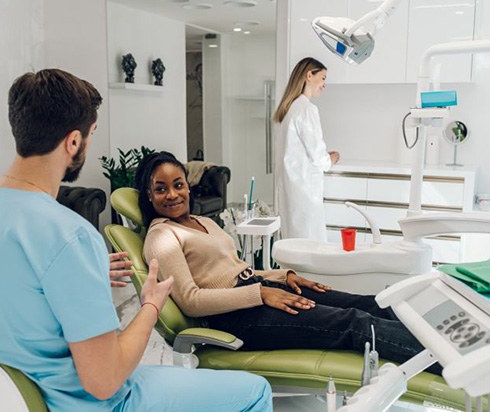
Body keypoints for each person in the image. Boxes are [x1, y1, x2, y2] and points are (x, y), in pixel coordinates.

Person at [0, 69, 272, 411]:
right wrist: (151, 305)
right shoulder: (70, 235)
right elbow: (104, 380)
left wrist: (84, 272)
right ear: (73, 142)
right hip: (91, 403)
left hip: (19, 397)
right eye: (90, 135)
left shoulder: (36, 230)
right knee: (256, 391)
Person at [137, 151, 441, 374]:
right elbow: (191, 300)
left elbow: (235, 269)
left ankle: (450, 334)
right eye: (161, 189)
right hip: (234, 316)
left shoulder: (203, 221)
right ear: (149, 197)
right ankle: (446, 360)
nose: (172, 194)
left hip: (260, 291)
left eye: (178, 184)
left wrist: (283, 277)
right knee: (352, 323)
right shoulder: (162, 236)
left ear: (188, 186)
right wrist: (261, 293)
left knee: (368, 303)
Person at [273, 57, 340, 242]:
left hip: (292, 192)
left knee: (294, 246)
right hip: (305, 193)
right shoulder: (306, 109)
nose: (325, 85)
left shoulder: (290, 109)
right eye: (323, 78)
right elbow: (318, 155)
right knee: (311, 248)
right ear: (309, 75)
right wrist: (330, 160)